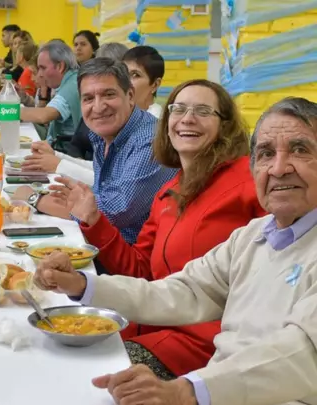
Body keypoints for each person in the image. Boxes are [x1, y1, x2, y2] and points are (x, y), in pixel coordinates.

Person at [35, 96, 317, 405]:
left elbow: (303, 354)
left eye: (300, 150)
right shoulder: (253, 235)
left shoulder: (238, 194)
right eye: (265, 153)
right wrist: (83, 285)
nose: (278, 168)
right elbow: (183, 291)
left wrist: (189, 390)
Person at [65, 79, 268, 378]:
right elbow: (140, 270)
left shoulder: (249, 183)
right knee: (60, 350)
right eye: (179, 109)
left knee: (85, 374)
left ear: (225, 126)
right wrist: (94, 221)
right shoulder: (170, 191)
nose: (187, 118)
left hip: (203, 349)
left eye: (203, 111)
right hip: (153, 326)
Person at [19, 58, 177, 246]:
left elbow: (112, 213)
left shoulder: (149, 141)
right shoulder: (106, 132)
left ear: (130, 95)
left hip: (130, 256)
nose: (98, 107)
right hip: (107, 244)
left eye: (109, 94)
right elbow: (101, 195)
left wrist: (36, 199)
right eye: (88, 98)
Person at [20, 40, 82, 153]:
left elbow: (44, 116)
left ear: (60, 66)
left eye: (43, 68)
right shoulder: (71, 80)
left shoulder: (72, 85)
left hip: (67, 152)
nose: (40, 74)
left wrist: (4, 110)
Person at [123, 45, 164, 118]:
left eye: (135, 75)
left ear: (155, 84)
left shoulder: (159, 121)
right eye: (123, 72)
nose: (125, 80)